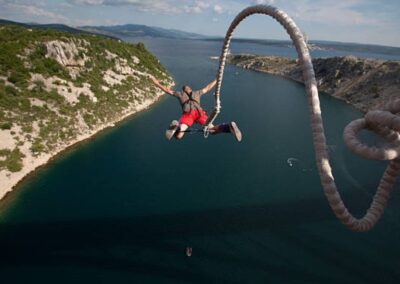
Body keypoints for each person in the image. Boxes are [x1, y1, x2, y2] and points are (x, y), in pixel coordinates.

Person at [150, 76, 242, 141]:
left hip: (189, 114)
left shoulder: (180, 94)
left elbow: (166, 90)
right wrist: (217, 79)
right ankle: (228, 126)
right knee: (212, 130)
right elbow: (208, 88)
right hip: (199, 114)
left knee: (179, 136)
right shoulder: (197, 93)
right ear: (190, 89)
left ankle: (176, 127)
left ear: (183, 90)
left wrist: (155, 82)